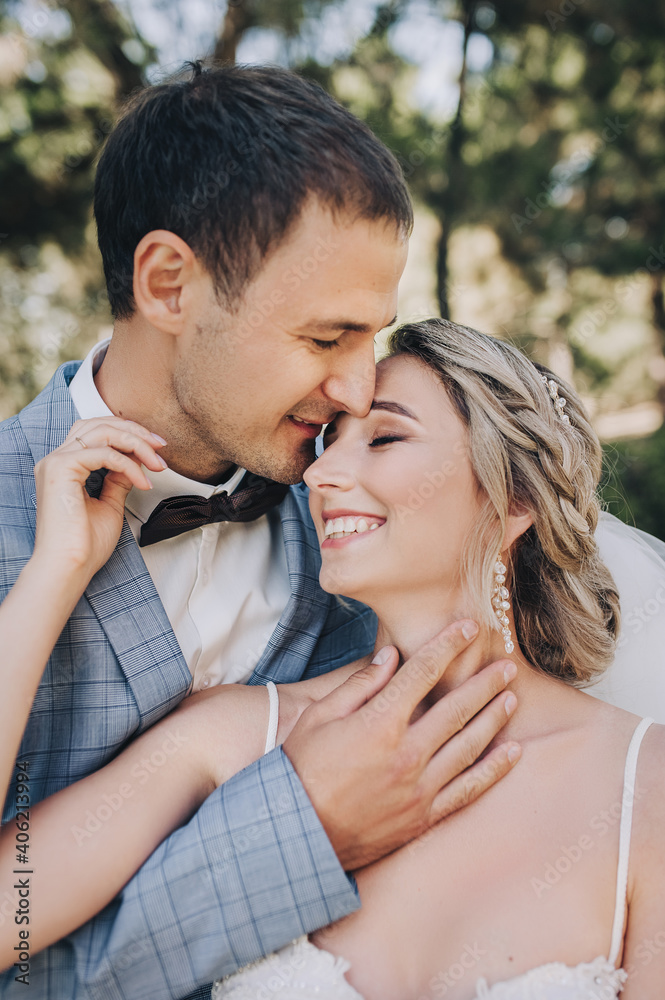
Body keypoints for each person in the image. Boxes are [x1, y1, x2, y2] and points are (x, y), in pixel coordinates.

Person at [0, 64, 518, 999]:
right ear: (168, 284)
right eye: (325, 340)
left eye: (373, 338)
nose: (359, 389)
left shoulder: (362, 524)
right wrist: (299, 828)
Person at [211, 318, 665, 999]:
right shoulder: (234, 736)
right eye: (328, 443)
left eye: (385, 437)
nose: (321, 471)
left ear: (512, 497)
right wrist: (54, 579)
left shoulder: (646, 789)